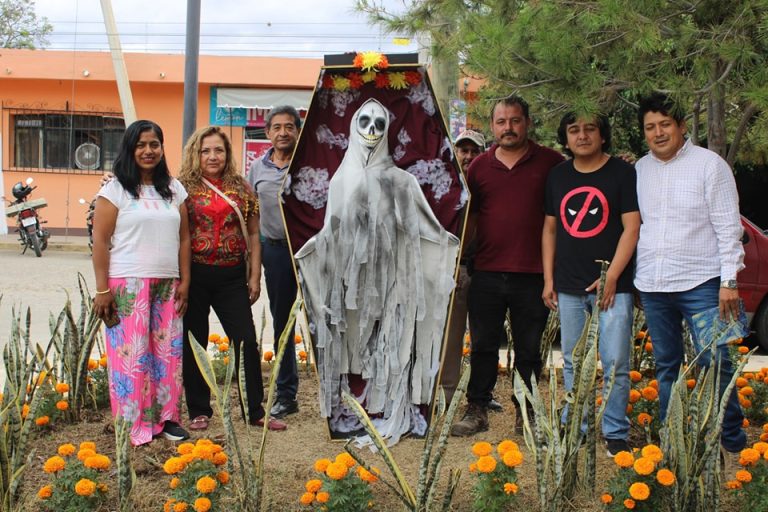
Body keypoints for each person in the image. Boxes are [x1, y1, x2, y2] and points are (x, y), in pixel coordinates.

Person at [634, 92, 746, 454]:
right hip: (654, 285)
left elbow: (729, 228)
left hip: (706, 283)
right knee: (667, 366)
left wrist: (729, 282)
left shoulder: (710, 165)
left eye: (665, 124)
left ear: (681, 126)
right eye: (650, 127)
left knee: (717, 362)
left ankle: (729, 439)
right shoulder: (639, 169)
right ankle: (672, 442)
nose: (658, 133)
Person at [451, 95, 564, 437]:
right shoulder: (480, 167)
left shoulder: (552, 164)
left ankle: (526, 411)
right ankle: (477, 409)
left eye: (515, 121)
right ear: (492, 126)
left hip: (532, 274)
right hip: (485, 270)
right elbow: (469, 218)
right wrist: (459, 259)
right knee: (483, 344)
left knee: (529, 349)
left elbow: (560, 219)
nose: (508, 128)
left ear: (527, 123)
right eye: (501, 122)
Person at [542, 113, 640, 456]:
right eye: (573, 130)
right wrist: (549, 279)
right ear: (565, 138)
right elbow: (551, 229)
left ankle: (614, 431)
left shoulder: (623, 173)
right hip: (568, 285)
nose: (582, 136)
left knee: (615, 362)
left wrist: (611, 276)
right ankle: (578, 426)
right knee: (572, 360)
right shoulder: (558, 176)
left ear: (602, 135)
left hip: (614, 286)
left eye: (589, 129)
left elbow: (632, 227)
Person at [179, 126, 286, 432]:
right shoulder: (181, 189)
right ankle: (199, 409)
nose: (213, 156)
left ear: (227, 154)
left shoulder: (241, 188)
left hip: (231, 278)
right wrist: (182, 281)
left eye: (219, 150)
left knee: (246, 341)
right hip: (195, 275)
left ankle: (254, 410)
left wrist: (255, 276)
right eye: (206, 151)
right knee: (194, 342)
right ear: (195, 154)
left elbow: (253, 233)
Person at [91, 119, 191, 446]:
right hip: (127, 284)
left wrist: (185, 281)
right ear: (130, 149)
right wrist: (102, 289)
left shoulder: (174, 189)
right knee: (131, 358)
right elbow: (100, 240)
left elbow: (185, 238)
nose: (148, 151)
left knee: (167, 355)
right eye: (141, 145)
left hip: (167, 284)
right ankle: (134, 427)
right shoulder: (115, 190)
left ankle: (167, 420)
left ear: (162, 149)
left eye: (154, 144)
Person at [440, 129, 505, 409]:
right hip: (454, 271)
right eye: (462, 150)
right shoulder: (443, 189)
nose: (467, 157)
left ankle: (481, 396)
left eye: (473, 151)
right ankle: (446, 397)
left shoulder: (491, 186)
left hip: (487, 271)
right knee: (450, 340)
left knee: (485, 341)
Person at [247, 106, 301, 420]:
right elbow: (248, 214)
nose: (283, 132)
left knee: (326, 324)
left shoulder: (310, 162)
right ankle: (286, 395)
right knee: (283, 325)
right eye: (277, 127)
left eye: (289, 127)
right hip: (276, 254)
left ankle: (336, 396)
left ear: (297, 130)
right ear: (267, 132)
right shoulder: (257, 169)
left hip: (310, 253)